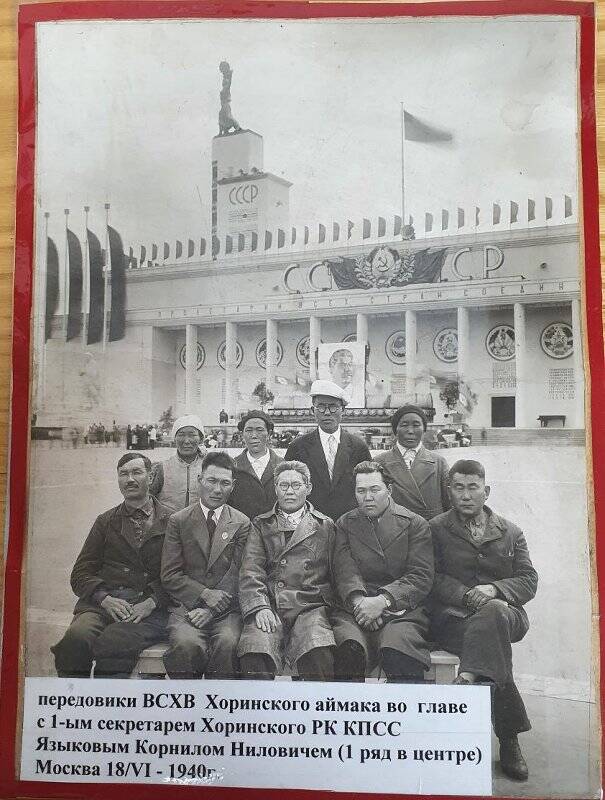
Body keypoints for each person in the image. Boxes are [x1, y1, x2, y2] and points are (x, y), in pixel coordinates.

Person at [429, 459, 538, 781]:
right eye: (458, 488)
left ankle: (468, 680)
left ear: (485, 491)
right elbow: (430, 577)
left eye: (473, 487)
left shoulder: (511, 532)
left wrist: (495, 588)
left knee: (493, 612)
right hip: (454, 619)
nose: (466, 495)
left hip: (506, 614)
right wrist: (465, 594)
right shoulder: (435, 528)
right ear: (449, 492)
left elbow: (529, 580)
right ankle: (509, 740)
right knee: (493, 642)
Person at [51, 453, 172, 678]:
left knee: (115, 643)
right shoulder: (105, 521)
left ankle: (108, 707)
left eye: (137, 472)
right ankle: (75, 707)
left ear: (151, 475)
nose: (130, 480)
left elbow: (179, 574)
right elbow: (80, 573)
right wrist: (104, 598)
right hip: (104, 604)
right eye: (123, 474)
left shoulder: (172, 520)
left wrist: (153, 601)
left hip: (148, 610)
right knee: (74, 641)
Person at [330, 461, 434, 683]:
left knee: (399, 649)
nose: (368, 497)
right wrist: (360, 602)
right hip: (354, 610)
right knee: (349, 648)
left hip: (402, 611)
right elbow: (344, 570)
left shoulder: (415, 524)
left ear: (389, 489)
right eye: (361, 491)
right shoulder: (345, 523)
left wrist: (382, 601)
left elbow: (420, 576)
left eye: (374, 489)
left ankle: (405, 716)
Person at [238, 460, 336, 681]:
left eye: (296, 485)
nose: (289, 492)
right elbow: (251, 571)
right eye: (283, 486)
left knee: (318, 651)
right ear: (275, 489)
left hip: (310, 608)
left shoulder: (326, 526)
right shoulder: (261, 524)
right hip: (271, 605)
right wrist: (259, 607)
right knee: (255, 651)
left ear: (308, 488)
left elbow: (336, 573)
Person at [160, 451, 250, 678]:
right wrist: (204, 595)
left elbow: (239, 572)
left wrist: (211, 609)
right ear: (200, 480)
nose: (217, 490)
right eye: (211, 481)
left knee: (228, 643)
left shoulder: (241, 522)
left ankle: (220, 707)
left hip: (226, 610)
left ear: (233, 486)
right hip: (186, 608)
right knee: (186, 644)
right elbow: (170, 574)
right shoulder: (179, 520)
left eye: (225, 483)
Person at [284, 380, 371, 521]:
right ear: (313, 411)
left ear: (343, 410)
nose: (327, 413)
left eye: (333, 407)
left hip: (350, 522)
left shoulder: (358, 447)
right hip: (310, 522)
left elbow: (368, 485)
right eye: (321, 407)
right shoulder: (298, 447)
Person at [375, 405, 450, 520]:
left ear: (424, 429)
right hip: (394, 529)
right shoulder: (380, 462)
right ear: (395, 430)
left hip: (431, 529)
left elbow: (449, 504)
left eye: (416, 425)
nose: (410, 431)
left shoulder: (439, 462)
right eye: (404, 425)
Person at [229, 411, 283, 521]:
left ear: (269, 434)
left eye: (259, 430)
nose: (254, 436)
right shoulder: (232, 467)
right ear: (242, 434)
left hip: (276, 533)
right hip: (242, 531)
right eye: (248, 430)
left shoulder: (284, 466)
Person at [149, 415, 207, 513]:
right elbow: (149, 499)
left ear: (201, 439)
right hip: (168, 525)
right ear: (174, 438)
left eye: (192, 435)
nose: (186, 440)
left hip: (200, 525)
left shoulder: (209, 466)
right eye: (181, 435)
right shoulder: (162, 467)